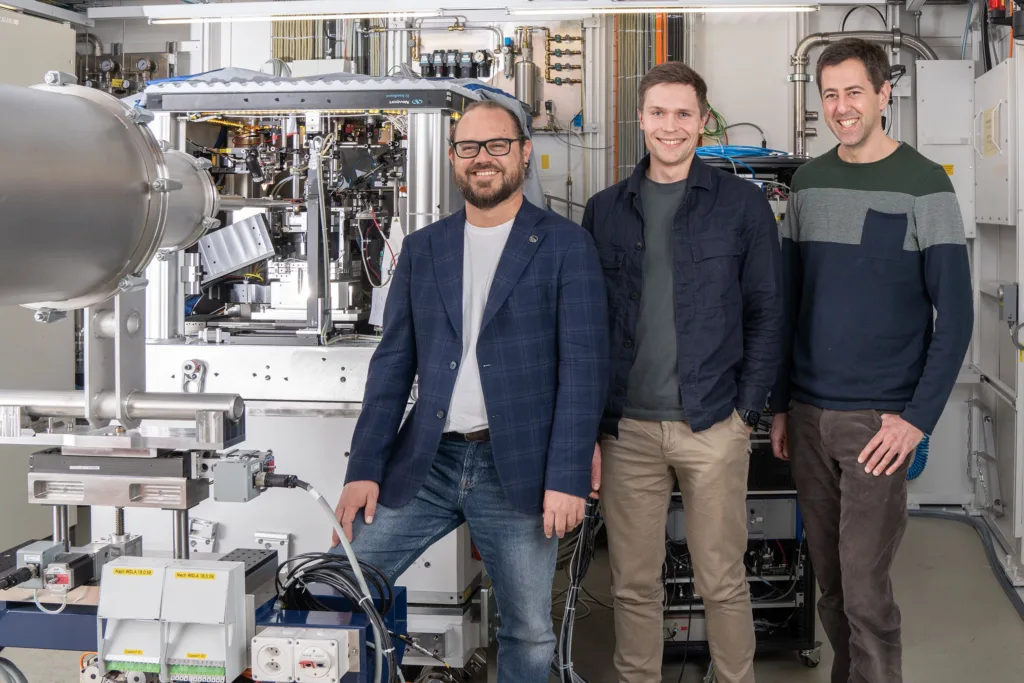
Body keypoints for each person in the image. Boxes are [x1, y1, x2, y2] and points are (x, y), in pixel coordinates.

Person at [332, 99, 609, 683]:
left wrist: (565, 478)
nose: (482, 159)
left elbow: (584, 370)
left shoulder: (564, 246)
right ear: (454, 158)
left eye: (497, 146)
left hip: (521, 470)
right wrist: (365, 467)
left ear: (524, 153)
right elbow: (392, 367)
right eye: (468, 148)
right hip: (427, 462)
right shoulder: (425, 248)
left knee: (528, 634)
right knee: (335, 586)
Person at [769, 39, 973, 683]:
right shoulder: (808, 182)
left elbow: (958, 317)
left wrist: (916, 420)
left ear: (886, 94)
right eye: (829, 94)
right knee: (828, 583)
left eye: (854, 92)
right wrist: (780, 405)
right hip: (807, 415)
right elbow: (790, 303)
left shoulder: (924, 185)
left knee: (864, 588)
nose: (841, 107)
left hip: (879, 423)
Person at [581, 61, 782, 683]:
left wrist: (746, 412)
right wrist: (590, 429)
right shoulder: (605, 210)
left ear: (703, 120)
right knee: (634, 582)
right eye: (659, 113)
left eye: (684, 114)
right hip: (628, 431)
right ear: (640, 119)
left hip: (712, 424)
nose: (671, 127)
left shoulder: (742, 207)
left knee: (721, 578)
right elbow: (587, 327)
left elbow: (768, 314)